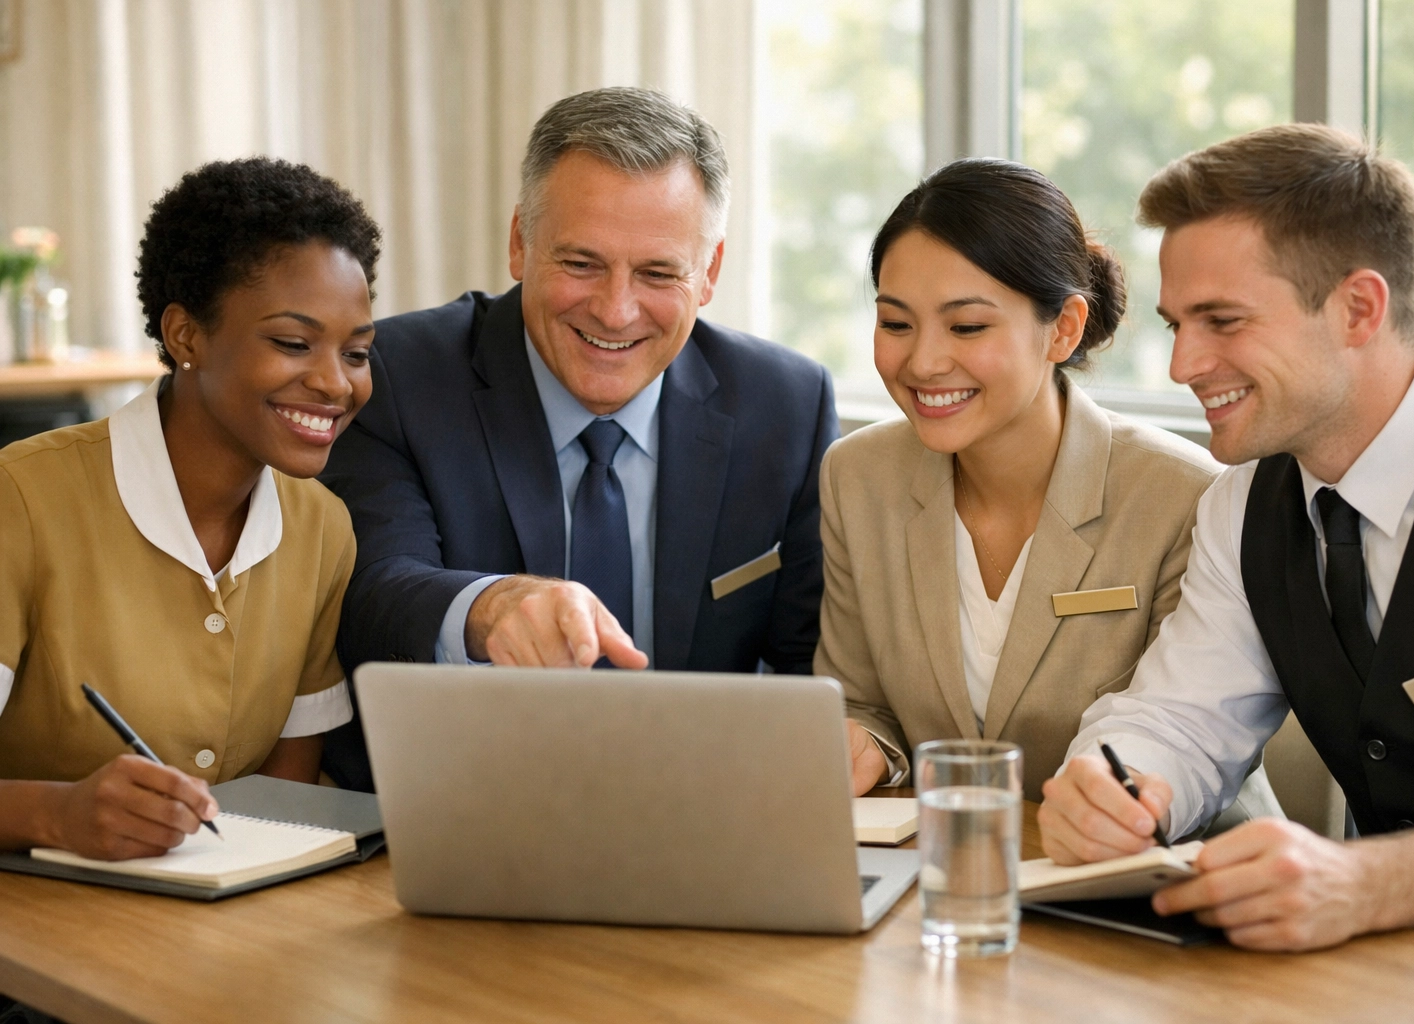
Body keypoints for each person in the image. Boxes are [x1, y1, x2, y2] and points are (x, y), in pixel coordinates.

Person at [1040, 123, 1414, 954]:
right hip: (1408, 975)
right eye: (1175, 326)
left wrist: (1358, 880)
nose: (1184, 365)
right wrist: (1109, 783)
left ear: (1358, 308)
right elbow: (1183, 719)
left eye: (1223, 321)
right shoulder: (1242, 506)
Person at [320, 87, 836, 790]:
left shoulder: (787, 405)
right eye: (581, 263)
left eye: (657, 273)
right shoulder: (397, 376)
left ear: (708, 273)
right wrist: (489, 606)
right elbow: (375, 594)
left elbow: (815, 663)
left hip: (700, 815)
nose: (615, 310)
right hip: (460, 810)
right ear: (519, 243)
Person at [817, 158, 1241, 802]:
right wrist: (863, 743)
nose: (924, 361)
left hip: (1149, 873)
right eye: (896, 323)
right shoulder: (857, 476)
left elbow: (1188, 734)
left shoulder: (1184, 495)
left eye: (967, 326)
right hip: (943, 870)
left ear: (1064, 329)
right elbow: (861, 703)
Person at [0, 157, 379, 860]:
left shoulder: (323, 529)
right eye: (293, 344)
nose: (334, 383)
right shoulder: (20, 499)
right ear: (186, 338)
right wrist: (58, 815)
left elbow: (285, 804)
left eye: (356, 352)